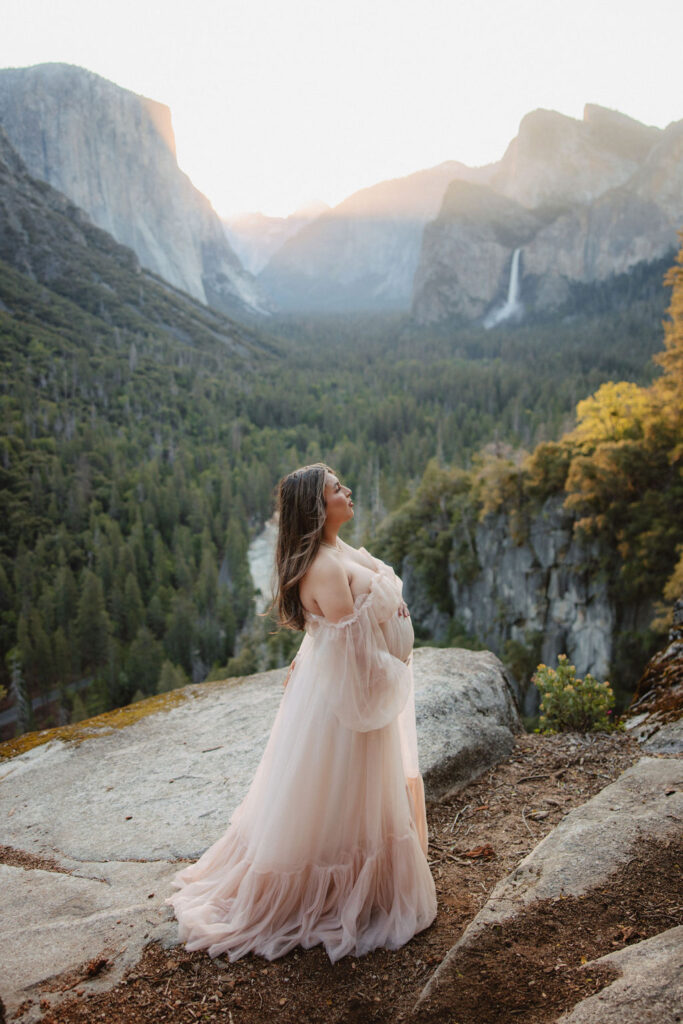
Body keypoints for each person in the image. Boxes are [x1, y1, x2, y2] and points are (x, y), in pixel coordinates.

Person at [165, 462, 437, 963]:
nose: (348, 491)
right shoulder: (326, 567)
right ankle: (335, 894)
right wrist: (396, 666)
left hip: (337, 691)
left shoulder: (336, 551)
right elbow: (353, 657)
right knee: (342, 794)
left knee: (347, 800)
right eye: (337, 489)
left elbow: (331, 636)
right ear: (317, 506)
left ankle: (358, 884)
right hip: (346, 705)